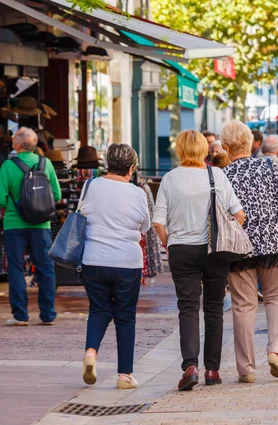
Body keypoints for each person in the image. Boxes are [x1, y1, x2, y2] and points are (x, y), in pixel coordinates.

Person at [153, 130, 244, 391]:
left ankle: (190, 366)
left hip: (181, 249)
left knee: (188, 308)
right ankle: (212, 370)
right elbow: (239, 215)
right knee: (214, 308)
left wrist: (167, 242)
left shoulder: (170, 178)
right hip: (213, 250)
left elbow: (158, 222)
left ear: (179, 149)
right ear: (205, 149)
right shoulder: (216, 175)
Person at [221, 120, 278, 384]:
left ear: (225, 146)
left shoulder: (223, 175)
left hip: (238, 246)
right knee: (277, 295)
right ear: (250, 143)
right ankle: (275, 350)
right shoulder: (269, 166)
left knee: (243, 304)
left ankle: (246, 368)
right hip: (273, 242)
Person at [79, 144, 150, 389]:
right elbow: (145, 227)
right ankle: (125, 375)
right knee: (125, 317)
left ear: (107, 164)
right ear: (131, 168)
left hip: (93, 259)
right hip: (126, 263)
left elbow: (82, 215)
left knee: (98, 310)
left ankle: (91, 352)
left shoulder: (90, 186)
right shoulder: (137, 193)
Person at [0, 127, 61, 326]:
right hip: (41, 224)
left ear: (17, 145)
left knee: (16, 269)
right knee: (45, 268)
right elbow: (57, 196)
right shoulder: (46, 163)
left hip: (14, 224)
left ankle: (20, 315)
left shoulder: (8, 166)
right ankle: (48, 314)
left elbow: (0, 199)